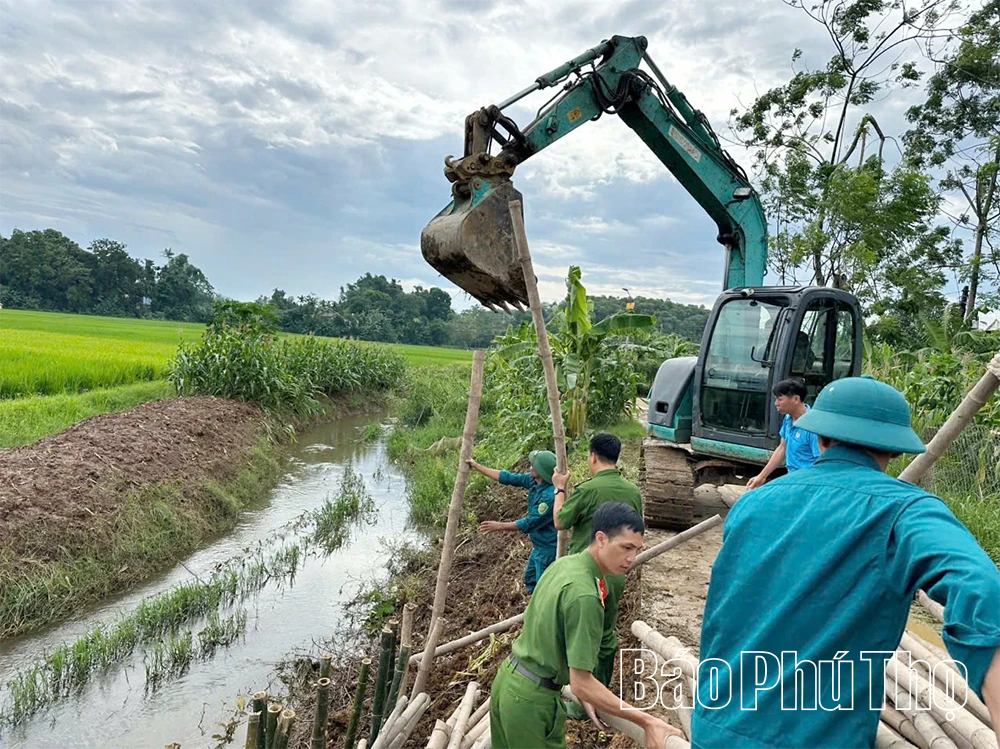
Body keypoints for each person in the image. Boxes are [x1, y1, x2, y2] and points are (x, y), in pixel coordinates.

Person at [694, 375, 1000, 749]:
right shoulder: (906, 512)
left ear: (820, 437)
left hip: (715, 727)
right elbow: (980, 589)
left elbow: (722, 617)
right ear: (896, 451)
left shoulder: (752, 505)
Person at [489, 502, 682, 749]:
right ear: (601, 539)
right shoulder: (586, 595)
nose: (632, 559)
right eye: (626, 547)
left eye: (637, 550)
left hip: (509, 681)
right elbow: (580, 682)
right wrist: (647, 721)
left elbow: (550, 635)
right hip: (531, 702)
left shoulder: (565, 565)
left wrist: (588, 692)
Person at [552, 433, 643, 689]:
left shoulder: (588, 490)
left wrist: (559, 488)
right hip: (615, 575)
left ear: (592, 456)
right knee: (604, 633)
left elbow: (560, 521)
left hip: (586, 574)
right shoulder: (632, 491)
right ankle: (598, 688)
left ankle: (578, 690)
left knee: (576, 631)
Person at [469, 450, 558, 594]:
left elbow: (529, 523)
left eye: (534, 466)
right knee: (530, 580)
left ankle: (545, 612)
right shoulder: (534, 480)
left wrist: (499, 526)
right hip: (539, 547)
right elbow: (508, 477)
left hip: (548, 549)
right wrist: (477, 467)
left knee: (545, 590)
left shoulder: (549, 497)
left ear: (543, 472)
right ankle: (536, 606)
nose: (530, 468)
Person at [746, 376, 820, 490]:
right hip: (792, 478)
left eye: (780, 399)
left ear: (796, 399)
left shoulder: (813, 426)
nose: (776, 403)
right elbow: (782, 448)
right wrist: (761, 476)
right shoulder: (788, 418)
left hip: (807, 484)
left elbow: (820, 462)